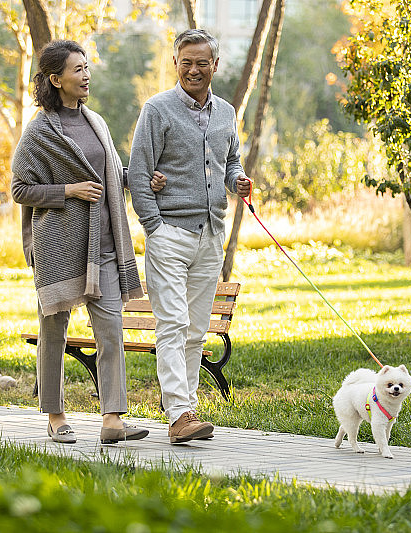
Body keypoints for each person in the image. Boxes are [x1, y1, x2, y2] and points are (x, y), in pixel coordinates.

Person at [11, 39, 165, 444]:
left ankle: (112, 420)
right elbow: (20, 189)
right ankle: (55, 414)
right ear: (55, 78)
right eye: (77, 69)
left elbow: (109, 175)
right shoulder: (40, 130)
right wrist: (68, 191)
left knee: (111, 329)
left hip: (104, 246)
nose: (85, 74)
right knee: (54, 331)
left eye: (86, 67)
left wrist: (140, 178)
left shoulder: (96, 121)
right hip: (59, 247)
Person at [128, 29, 252, 444]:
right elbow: (140, 172)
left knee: (197, 330)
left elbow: (231, 158)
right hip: (170, 233)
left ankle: (188, 411)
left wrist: (237, 180)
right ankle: (178, 413)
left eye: (202, 63)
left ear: (215, 65)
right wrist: (154, 226)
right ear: (176, 64)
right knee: (172, 324)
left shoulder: (226, 113)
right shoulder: (157, 110)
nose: (194, 70)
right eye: (186, 62)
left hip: (211, 234)